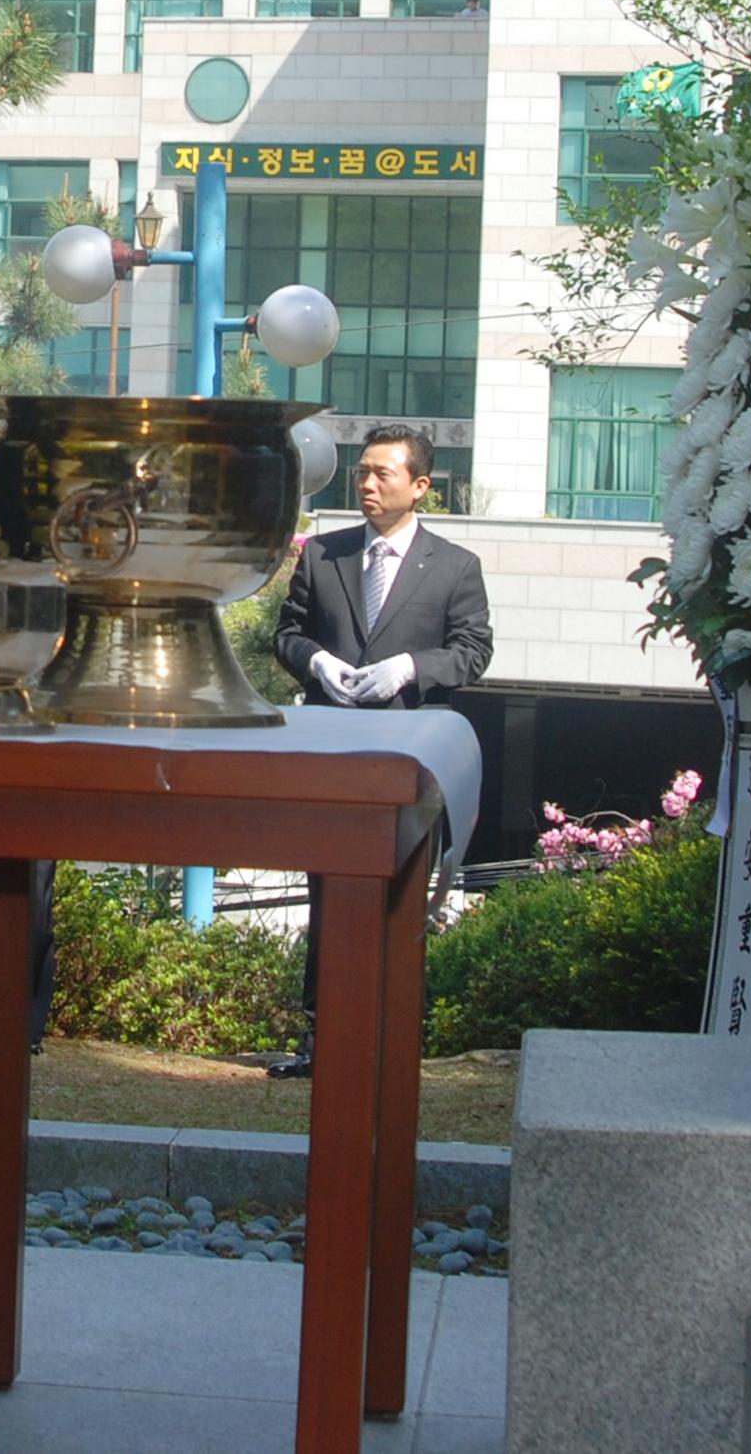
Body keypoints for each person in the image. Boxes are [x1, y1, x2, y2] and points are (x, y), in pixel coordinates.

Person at [269, 424, 492, 1079]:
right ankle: (320, 1038)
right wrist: (315, 663)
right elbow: (286, 634)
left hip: (408, 759)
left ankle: (392, 1040)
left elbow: (473, 652)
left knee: (400, 898)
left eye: (382, 474)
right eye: (362, 472)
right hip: (331, 755)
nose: (366, 484)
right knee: (325, 892)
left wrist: (410, 669)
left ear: (420, 486)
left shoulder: (455, 567)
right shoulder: (323, 555)